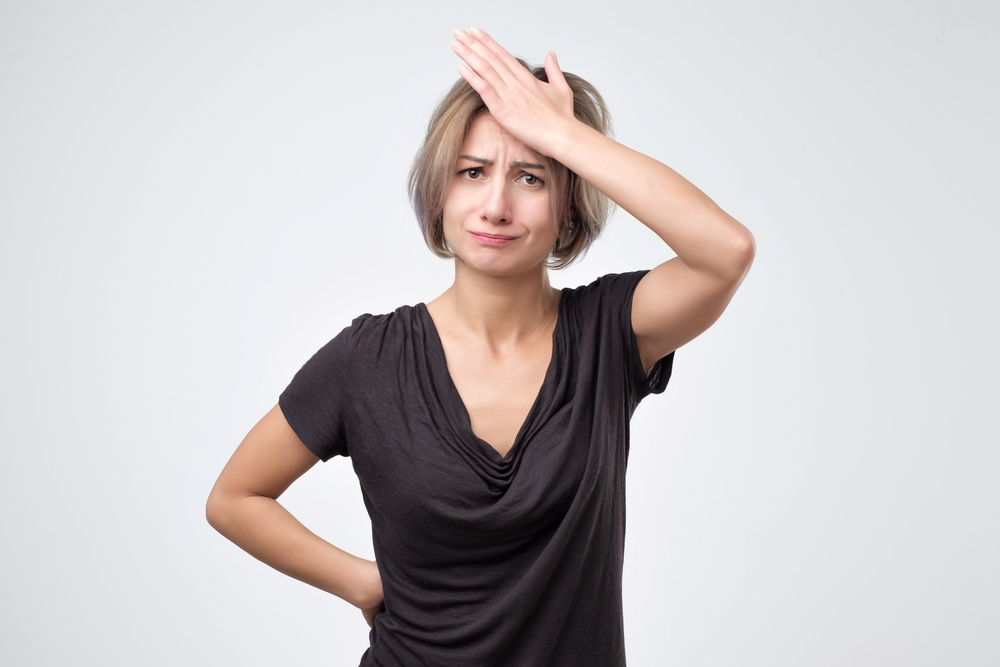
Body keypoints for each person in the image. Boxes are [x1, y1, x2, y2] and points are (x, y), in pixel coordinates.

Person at [207, 27, 755, 666]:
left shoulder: (611, 332)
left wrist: (565, 136)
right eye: (472, 172)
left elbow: (726, 252)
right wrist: (362, 580)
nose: (495, 205)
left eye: (531, 177)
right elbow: (234, 499)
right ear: (440, 193)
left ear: (569, 209)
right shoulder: (367, 359)